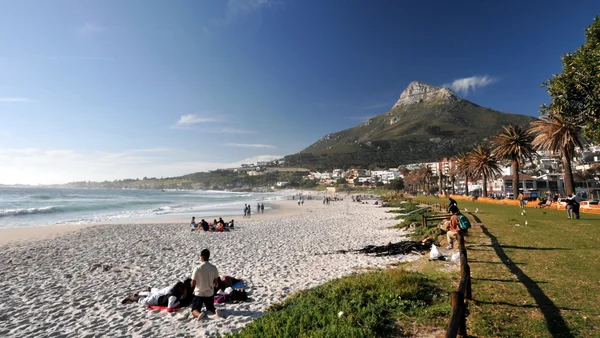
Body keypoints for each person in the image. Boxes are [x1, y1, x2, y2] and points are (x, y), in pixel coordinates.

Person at [190, 249, 223, 319]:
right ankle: (215, 311)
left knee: (194, 310)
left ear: (201, 257)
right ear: (208, 257)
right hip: (209, 293)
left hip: (199, 293)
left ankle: (199, 314)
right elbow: (216, 282)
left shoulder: (197, 268)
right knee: (210, 307)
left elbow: (193, 283)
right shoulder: (213, 268)